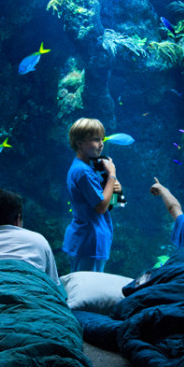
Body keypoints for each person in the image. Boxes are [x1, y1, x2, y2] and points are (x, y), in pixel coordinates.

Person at [62, 117, 121, 273]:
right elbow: (101, 207)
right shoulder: (83, 171)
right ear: (79, 142)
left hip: (91, 241)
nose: (101, 144)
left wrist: (114, 187)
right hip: (89, 242)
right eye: (95, 140)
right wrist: (112, 176)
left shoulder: (86, 169)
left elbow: (111, 204)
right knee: (86, 292)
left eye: (102, 139)